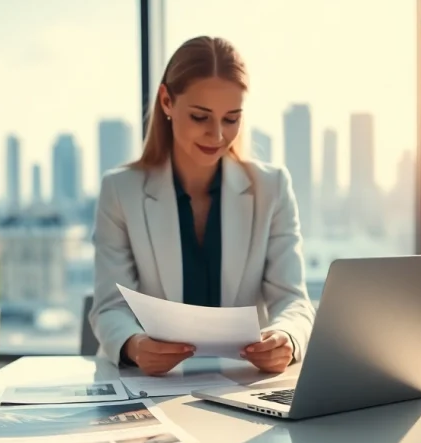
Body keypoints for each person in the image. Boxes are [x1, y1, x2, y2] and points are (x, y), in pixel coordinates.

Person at [89, 36, 314, 376]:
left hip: (242, 383)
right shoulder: (120, 190)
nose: (217, 135)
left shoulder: (272, 187)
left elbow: (293, 299)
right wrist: (134, 345)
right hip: (154, 384)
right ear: (167, 101)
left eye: (231, 118)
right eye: (200, 116)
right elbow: (109, 307)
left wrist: (285, 338)